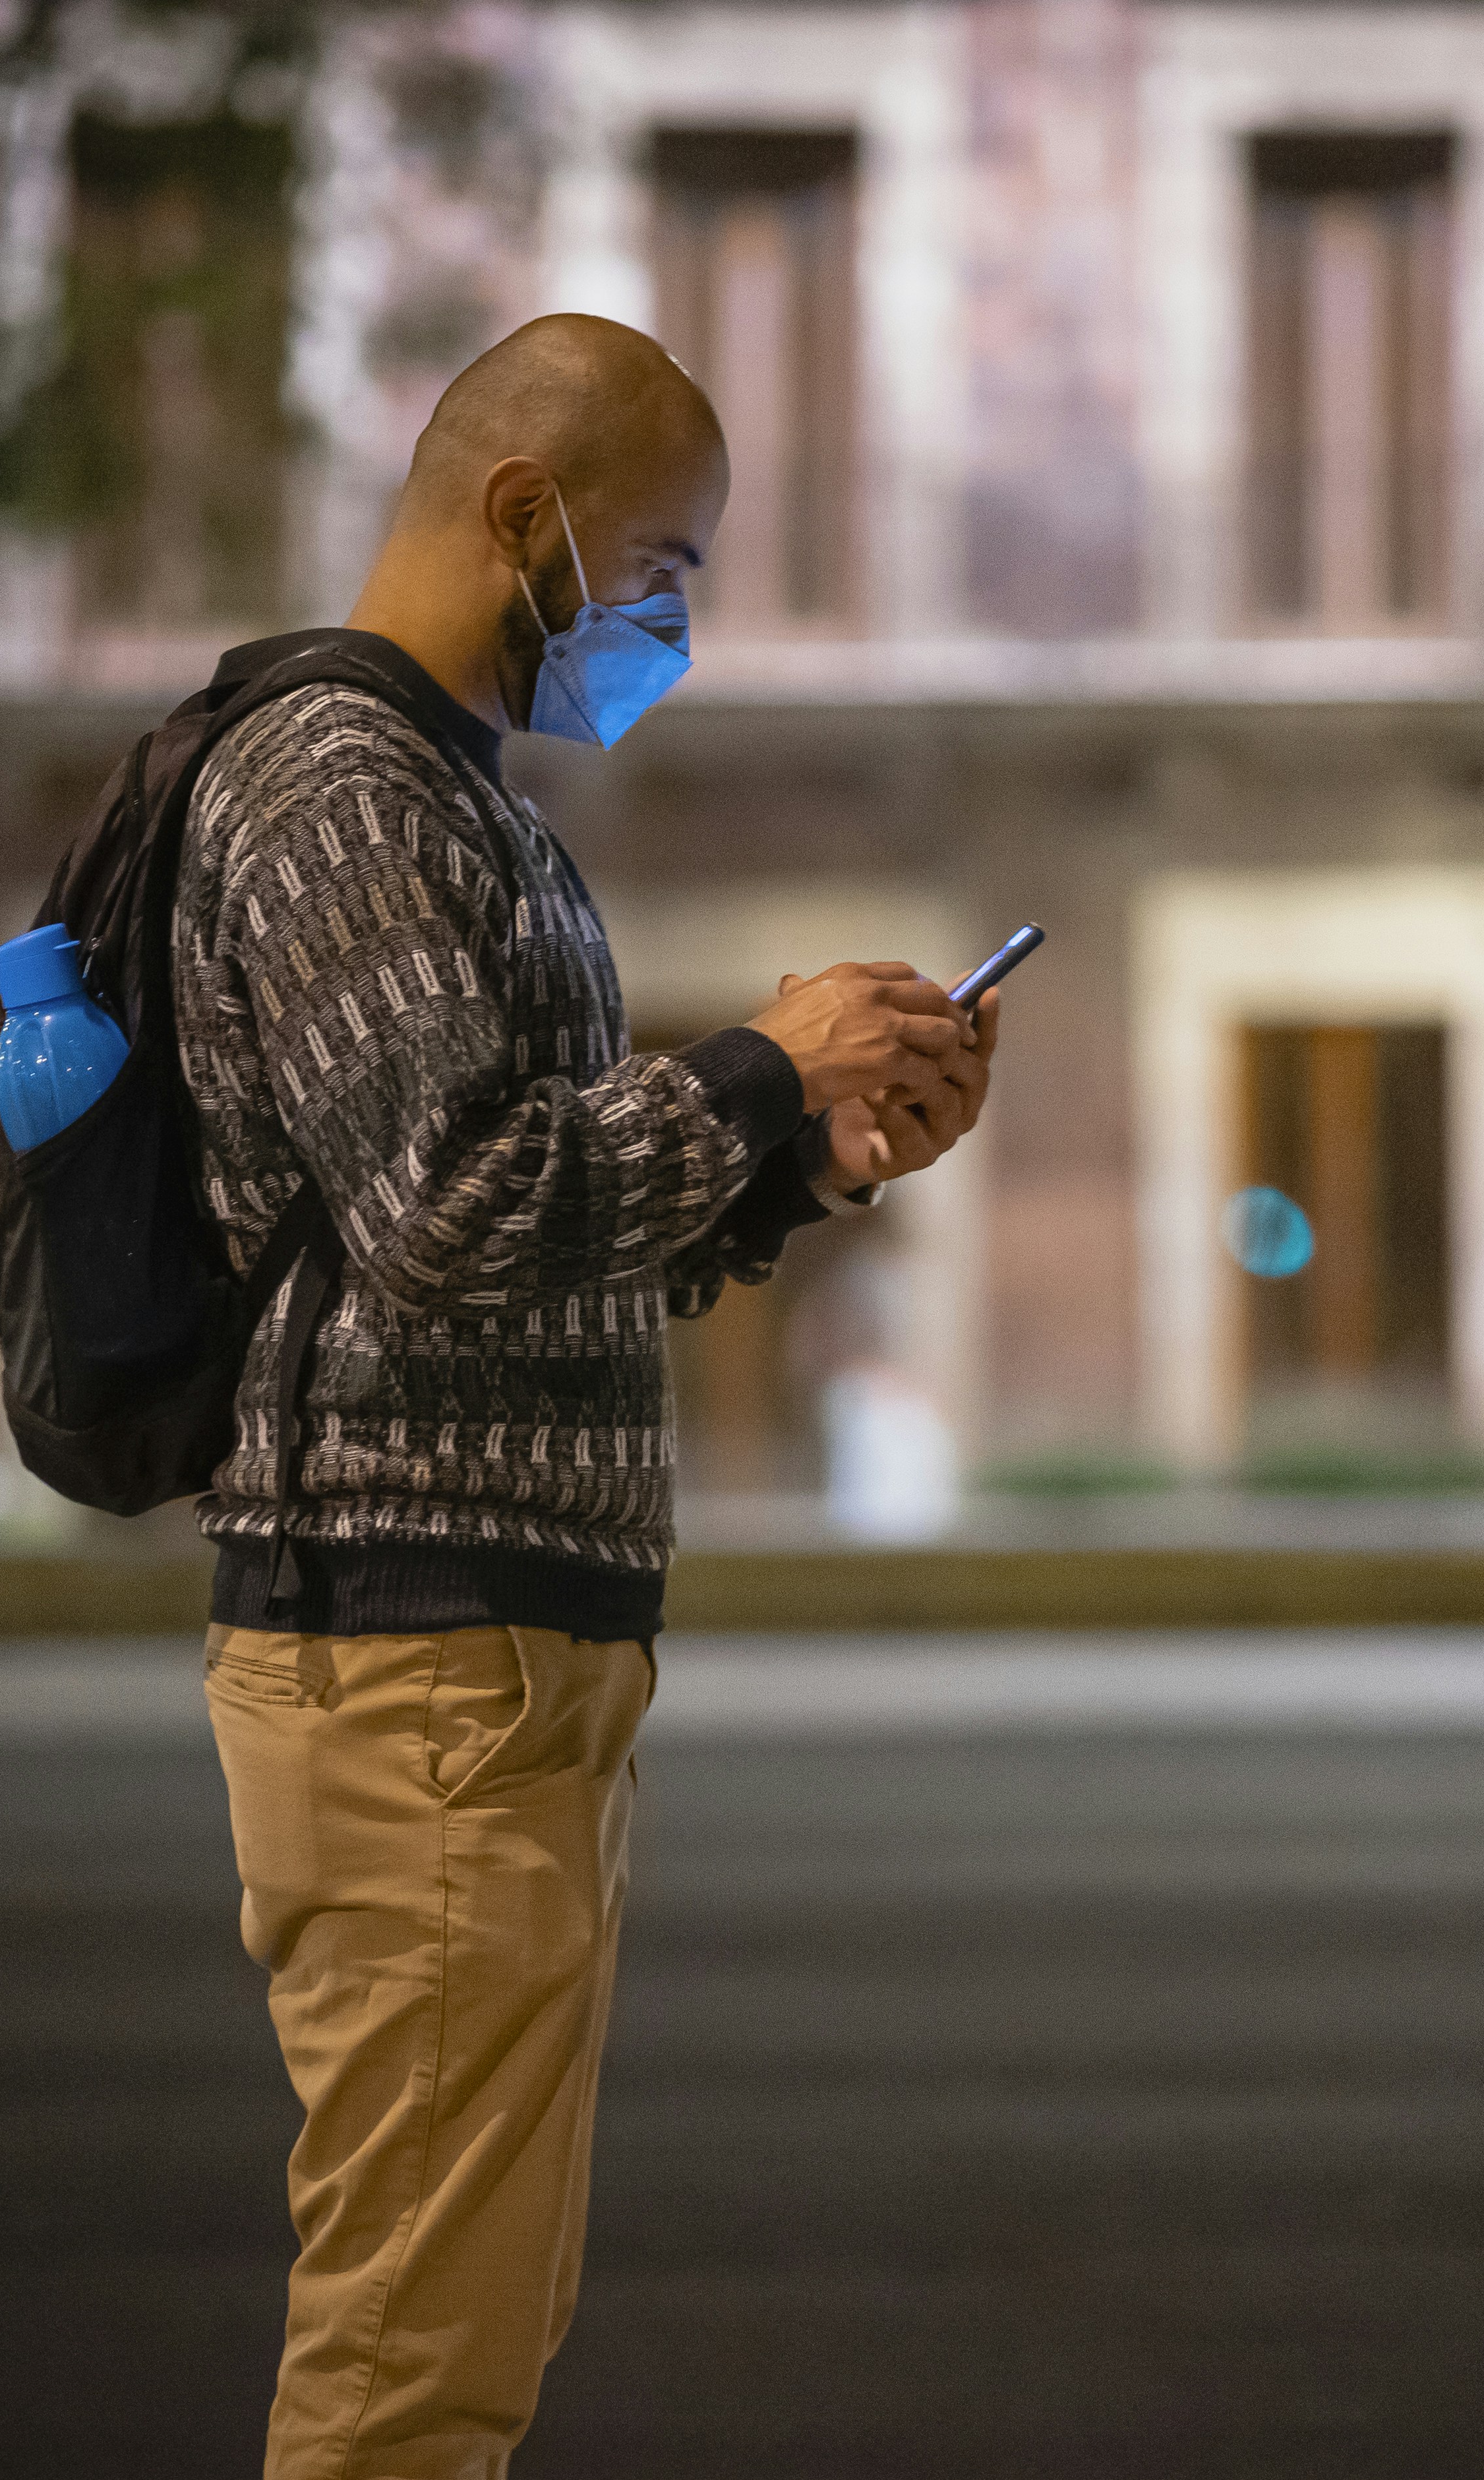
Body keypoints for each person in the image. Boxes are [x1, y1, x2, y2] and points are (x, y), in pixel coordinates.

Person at [173, 313, 995, 2478]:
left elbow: (532, 1237)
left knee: (468, 2325)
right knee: (411, 2361)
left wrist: (810, 1148)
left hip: (494, 1658)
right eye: (668, 568)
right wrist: (754, 1064)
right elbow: (446, 1210)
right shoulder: (343, 783)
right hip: (417, 1656)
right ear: (525, 518)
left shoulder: (459, 798)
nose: (676, 625)